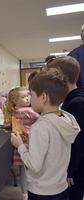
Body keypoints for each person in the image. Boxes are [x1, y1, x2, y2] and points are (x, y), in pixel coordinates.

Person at [11, 68, 80, 200]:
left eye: (31, 94)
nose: (29, 98)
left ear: (43, 97)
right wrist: (30, 142)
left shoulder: (40, 126)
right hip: (61, 188)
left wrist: (20, 145)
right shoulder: (65, 118)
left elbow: (34, 166)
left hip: (42, 192)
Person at [47, 56, 84, 200]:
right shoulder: (70, 100)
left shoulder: (77, 103)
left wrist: (70, 172)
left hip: (77, 169)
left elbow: (78, 143)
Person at [4, 86, 39, 200]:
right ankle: (33, 190)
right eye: (24, 97)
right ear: (15, 100)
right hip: (30, 142)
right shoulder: (29, 111)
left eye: (28, 95)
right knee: (32, 169)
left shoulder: (12, 112)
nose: (28, 98)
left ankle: (24, 194)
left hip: (19, 144)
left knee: (23, 171)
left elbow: (8, 124)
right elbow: (42, 120)